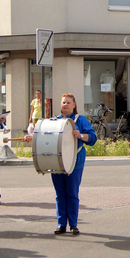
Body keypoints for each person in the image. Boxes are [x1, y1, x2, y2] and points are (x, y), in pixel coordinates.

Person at [24, 93, 97, 235]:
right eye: (63, 102)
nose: (65, 105)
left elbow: (93, 138)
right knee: (60, 194)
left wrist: (81, 135)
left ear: (74, 105)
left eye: (68, 102)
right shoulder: (54, 121)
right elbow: (44, 137)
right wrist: (31, 138)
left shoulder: (80, 120)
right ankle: (61, 224)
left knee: (72, 194)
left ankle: (73, 225)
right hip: (57, 162)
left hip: (75, 162)